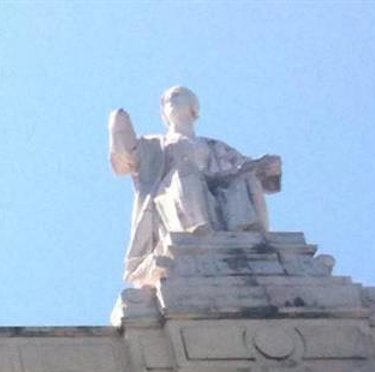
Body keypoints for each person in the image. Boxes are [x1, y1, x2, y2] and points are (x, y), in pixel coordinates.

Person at [109, 86, 281, 288]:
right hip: (173, 197)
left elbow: (250, 170)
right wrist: (120, 128)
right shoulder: (154, 143)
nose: (169, 100)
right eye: (166, 100)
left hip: (218, 193)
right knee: (186, 172)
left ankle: (248, 235)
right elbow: (126, 160)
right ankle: (197, 233)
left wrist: (265, 165)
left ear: (194, 106)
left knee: (245, 179)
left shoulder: (214, 146)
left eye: (176, 95)